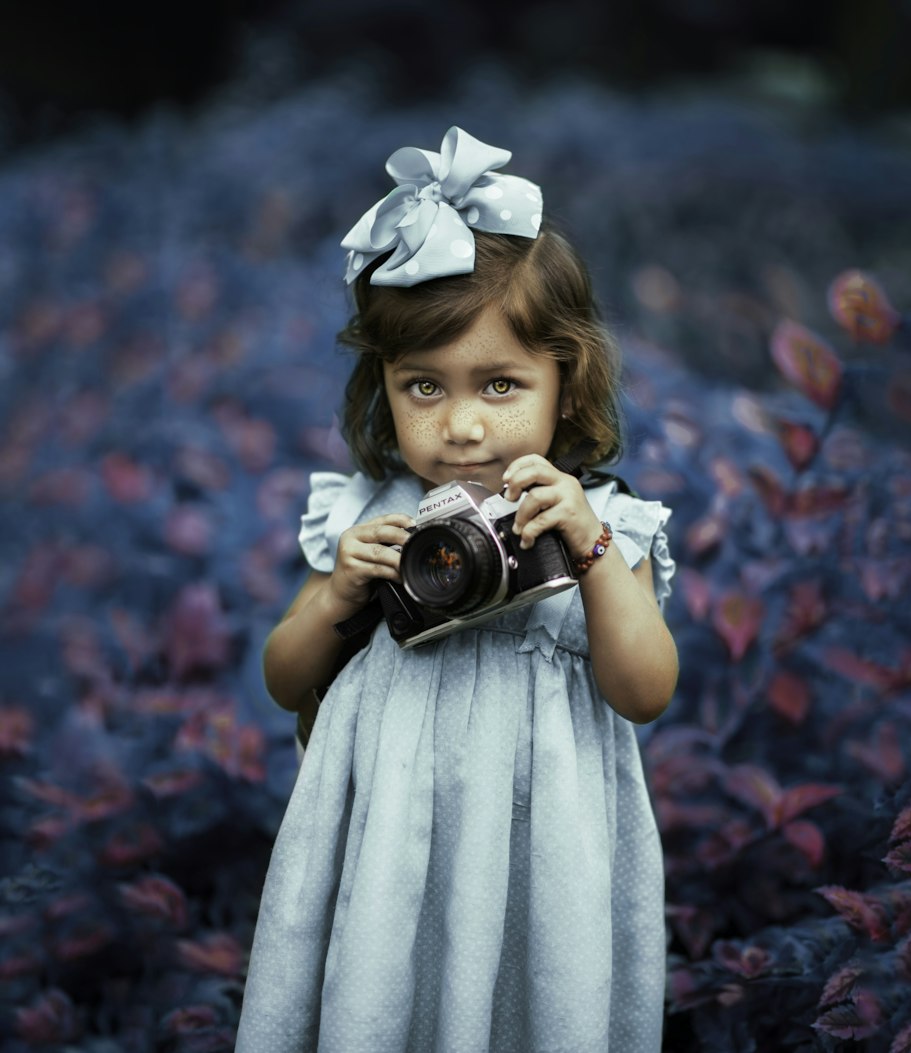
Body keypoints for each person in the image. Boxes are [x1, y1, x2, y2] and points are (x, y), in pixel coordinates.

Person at [235, 126, 679, 1053]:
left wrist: (590, 546)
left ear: (570, 380)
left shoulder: (600, 520)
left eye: (503, 384)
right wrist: (333, 596)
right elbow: (285, 680)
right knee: (383, 992)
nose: (465, 425)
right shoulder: (372, 514)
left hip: (537, 842)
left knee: (530, 995)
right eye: (424, 386)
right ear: (383, 386)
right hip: (391, 835)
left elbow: (644, 691)